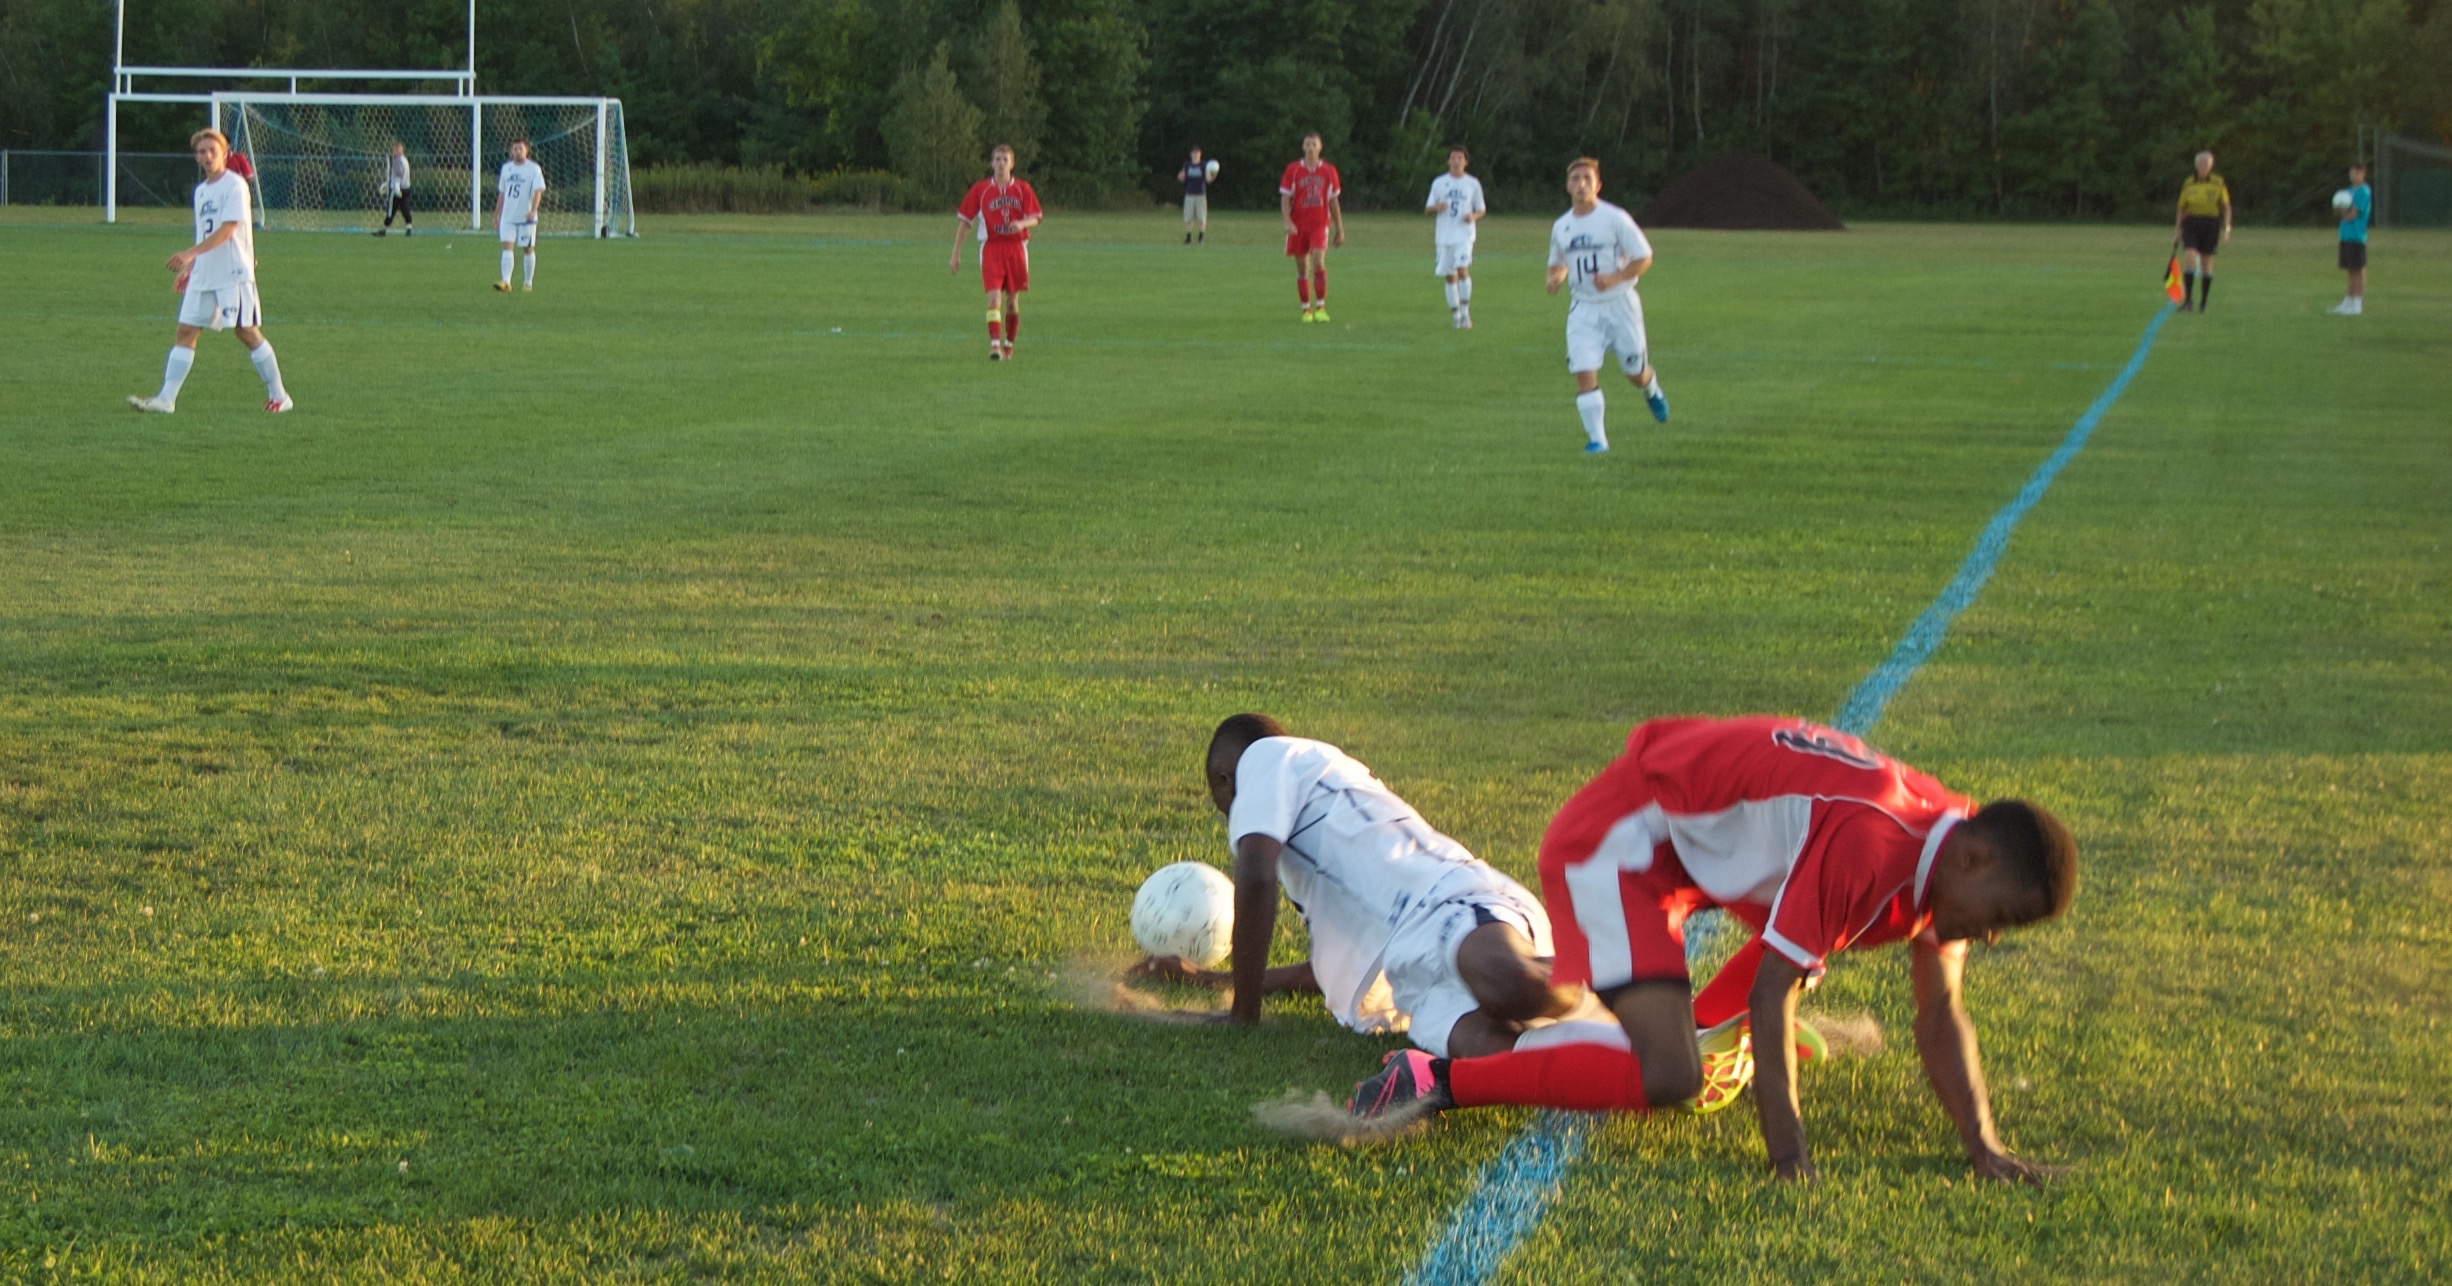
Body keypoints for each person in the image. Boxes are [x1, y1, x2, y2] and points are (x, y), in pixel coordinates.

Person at [1340, 715, 2079, 1185]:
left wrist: (1984, 1146)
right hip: (1622, 844)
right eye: (2001, 917)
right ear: (1975, 859)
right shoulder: (1875, 842)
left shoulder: (1945, 843)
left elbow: (1941, 1011)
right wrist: (1789, 1157)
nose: (1990, 936)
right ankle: (1434, 1078)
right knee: (1672, 1076)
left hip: (1688, 851)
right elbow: (1770, 990)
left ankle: (1662, 1017)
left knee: (1781, 977)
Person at [1131, 714, 1587, 1059]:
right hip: (1410, 968)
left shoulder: (1270, 757)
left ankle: (1620, 977)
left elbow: (1254, 877)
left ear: (1225, 779)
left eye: (1222, 801)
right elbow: (1325, 970)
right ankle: (1606, 1056)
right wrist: (1212, 980)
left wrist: (1242, 1015)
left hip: (1445, 899)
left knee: (1509, 985)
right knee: (1483, 1046)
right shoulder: (1313, 856)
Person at [127, 129, 292, 415]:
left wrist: (189, 253)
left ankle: (280, 395)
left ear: (225, 154)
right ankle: (166, 399)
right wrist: (192, 266)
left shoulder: (235, 185)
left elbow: (228, 230)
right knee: (186, 331)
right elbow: (205, 232)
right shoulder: (202, 191)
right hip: (205, 273)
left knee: (245, 331)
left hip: (232, 271)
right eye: (201, 151)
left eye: (212, 150)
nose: (206, 156)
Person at [1547, 157, 1666, 454]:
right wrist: (1555, 277)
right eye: (1575, 179)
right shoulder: (1561, 226)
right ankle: (1598, 441)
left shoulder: (1615, 218)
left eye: (1587, 178)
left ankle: (1651, 388)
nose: (1581, 184)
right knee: (1583, 370)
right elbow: (1558, 263)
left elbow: (1644, 257)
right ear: (1567, 186)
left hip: (1620, 305)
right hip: (1583, 308)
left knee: (1635, 374)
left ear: (1598, 185)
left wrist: (1615, 278)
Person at [951, 144, 1044, 361]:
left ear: (1012, 164)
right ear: (991, 163)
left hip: (1016, 248)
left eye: (1005, 159)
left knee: (1012, 300)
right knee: (993, 297)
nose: (1001, 163)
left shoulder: (1022, 188)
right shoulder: (981, 189)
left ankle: (1008, 346)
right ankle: (994, 346)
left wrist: (1021, 224)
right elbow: (965, 222)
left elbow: (1036, 217)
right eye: (997, 159)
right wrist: (955, 253)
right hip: (991, 247)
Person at [1279, 133, 1344, 322]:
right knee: (1302, 268)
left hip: (1319, 223)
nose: (1310, 147)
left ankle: (1321, 307)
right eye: (1307, 144)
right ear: (1303, 147)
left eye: (1314, 144)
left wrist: (1339, 228)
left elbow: (1333, 200)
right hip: (1298, 224)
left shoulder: (1329, 171)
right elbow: (1285, 197)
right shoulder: (1293, 169)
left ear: (1320, 147)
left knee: (1318, 261)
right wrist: (1287, 221)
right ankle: (1306, 309)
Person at [1424, 146, 1486, 329]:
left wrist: (1473, 216)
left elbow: (1481, 209)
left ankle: (1466, 313)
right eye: (1453, 157)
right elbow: (1428, 208)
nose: (1456, 161)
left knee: (1462, 270)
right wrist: (1436, 207)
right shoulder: (1439, 182)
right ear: (1448, 161)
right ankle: (1456, 315)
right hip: (1444, 235)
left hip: (1464, 234)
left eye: (1460, 158)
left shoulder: (1472, 183)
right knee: (1450, 277)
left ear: (1466, 162)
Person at [2171, 150, 2231, 312]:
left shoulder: (2218, 182)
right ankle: (2188, 301)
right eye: (2200, 164)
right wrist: (2177, 230)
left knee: (2206, 263)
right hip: (2191, 222)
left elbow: (2226, 206)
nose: (2203, 167)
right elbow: (2182, 208)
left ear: (2211, 166)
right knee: (2189, 257)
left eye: (2206, 164)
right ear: (2196, 166)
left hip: (2210, 223)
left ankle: (2203, 302)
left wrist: (2226, 228)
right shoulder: (2189, 183)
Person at [494, 141, 547, 292]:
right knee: (507, 246)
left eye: (520, 148)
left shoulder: (533, 169)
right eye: (515, 148)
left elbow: (538, 191)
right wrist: (496, 214)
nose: (518, 151)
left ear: (526, 150)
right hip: (508, 216)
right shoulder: (506, 168)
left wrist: (533, 211)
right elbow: (502, 192)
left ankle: (528, 282)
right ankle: (506, 282)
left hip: (526, 217)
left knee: (527, 248)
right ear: (511, 151)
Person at [2332, 162, 2372, 315]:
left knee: (2358, 269)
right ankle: (2348, 301)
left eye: (2357, 173)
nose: (2354, 176)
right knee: (2350, 269)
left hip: (2357, 236)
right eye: (2352, 172)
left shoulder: (2363, 191)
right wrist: (2339, 210)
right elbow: (2338, 212)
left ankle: (2357, 303)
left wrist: (2342, 211)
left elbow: (2351, 215)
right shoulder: (2347, 192)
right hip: (2345, 234)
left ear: (2363, 174)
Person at [377, 143, 412, 237]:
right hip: (406, 188)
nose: (394, 152)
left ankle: (384, 230)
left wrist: (396, 187)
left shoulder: (398, 161)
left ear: (398, 151)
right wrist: (387, 183)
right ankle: (408, 228)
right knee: (405, 208)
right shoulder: (405, 160)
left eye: (395, 150)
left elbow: (398, 176)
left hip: (398, 190)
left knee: (391, 210)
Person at [1178, 146, 1211, 244]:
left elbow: (1208, 179)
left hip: (1200, 194)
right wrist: (1180, 176)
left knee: (1201, 217)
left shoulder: (1204, 165)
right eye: (1194, 152)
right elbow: (1181, 177)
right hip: (1189, 194)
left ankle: (1201, 236)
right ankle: (1188, 237)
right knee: (1188, 217)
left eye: (1197, 152)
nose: (1195, 154)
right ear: (1191, 154)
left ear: (1200, 154)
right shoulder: (1187, 165)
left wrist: (1212, 174)